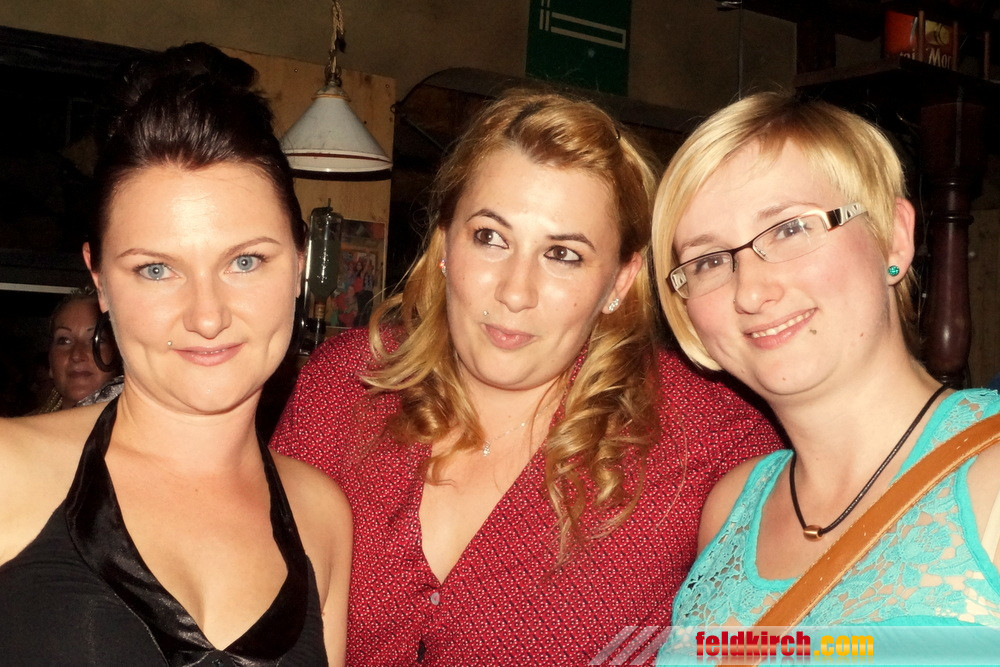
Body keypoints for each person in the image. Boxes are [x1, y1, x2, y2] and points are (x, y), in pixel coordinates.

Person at [272, 89, 783, 666]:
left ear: (620, 281)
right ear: (444, 244)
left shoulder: (711, 441)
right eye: (490, 238)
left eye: (563, 254)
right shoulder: (343, 386)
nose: (515, 292)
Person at [0, 43, 351, 664]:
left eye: (246, 261)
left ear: (300, 262)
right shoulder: (10, 472)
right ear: (99, 279)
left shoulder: (321, 515)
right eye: (157, 269)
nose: (207, 316)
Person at [650, 92, 1000, 642]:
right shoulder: (730, 509)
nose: (751, 292)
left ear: (893, 237)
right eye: (710, 260)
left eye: (790, 229)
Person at [32, 286, 121, 413]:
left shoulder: (145, 424)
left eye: (95, 340)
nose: (77, 355)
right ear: (50, 362)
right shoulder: (22, 425)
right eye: (64, 340)